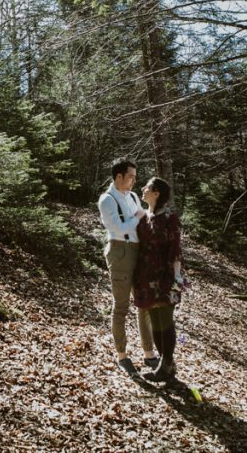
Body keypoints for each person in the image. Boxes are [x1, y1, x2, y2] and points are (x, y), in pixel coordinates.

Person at [98, 158, 158, 374]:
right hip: (120, 252)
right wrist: (139, 216)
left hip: (138, 252)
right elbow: (118, 227)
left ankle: (149, 354)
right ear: (119, 176)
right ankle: (122, 356)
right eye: (130, 176)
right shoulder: (107, 200)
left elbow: (143, 221)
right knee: (121, 307)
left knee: (144, 303)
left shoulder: (132, 197)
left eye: (135, 176)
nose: (134, 181)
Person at [134, 176, 184, 382]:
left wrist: (176, 276)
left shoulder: (170, 217)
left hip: (165, 276)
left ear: (156, 193)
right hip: (145, 276)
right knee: (155, 320)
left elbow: (175, 248)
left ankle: (166, 364)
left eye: (147, 187)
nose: (143, 189)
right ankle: (167, 366)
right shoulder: (145, 216)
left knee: (165, 320)